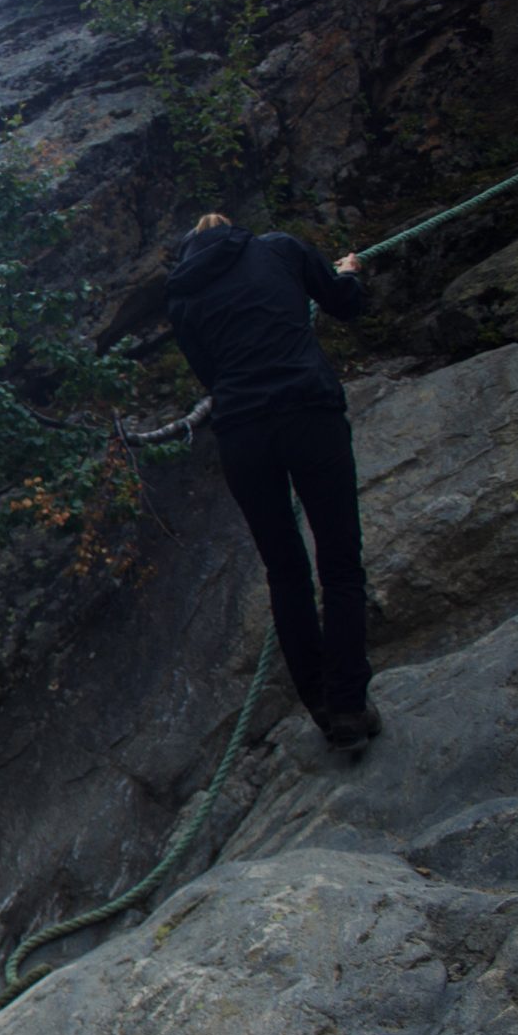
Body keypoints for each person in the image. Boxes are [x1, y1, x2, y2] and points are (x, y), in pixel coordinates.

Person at [166, 212, 381, 752]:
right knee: (340, 565)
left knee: (286, 574)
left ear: (189, 250)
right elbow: (345, 304)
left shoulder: (182, 296)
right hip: (309, 414)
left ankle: (324, 710)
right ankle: (350, 704)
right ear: (232, 231)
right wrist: (348, 272)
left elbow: (211, 375)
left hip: (243, 436)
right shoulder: (279, 249)